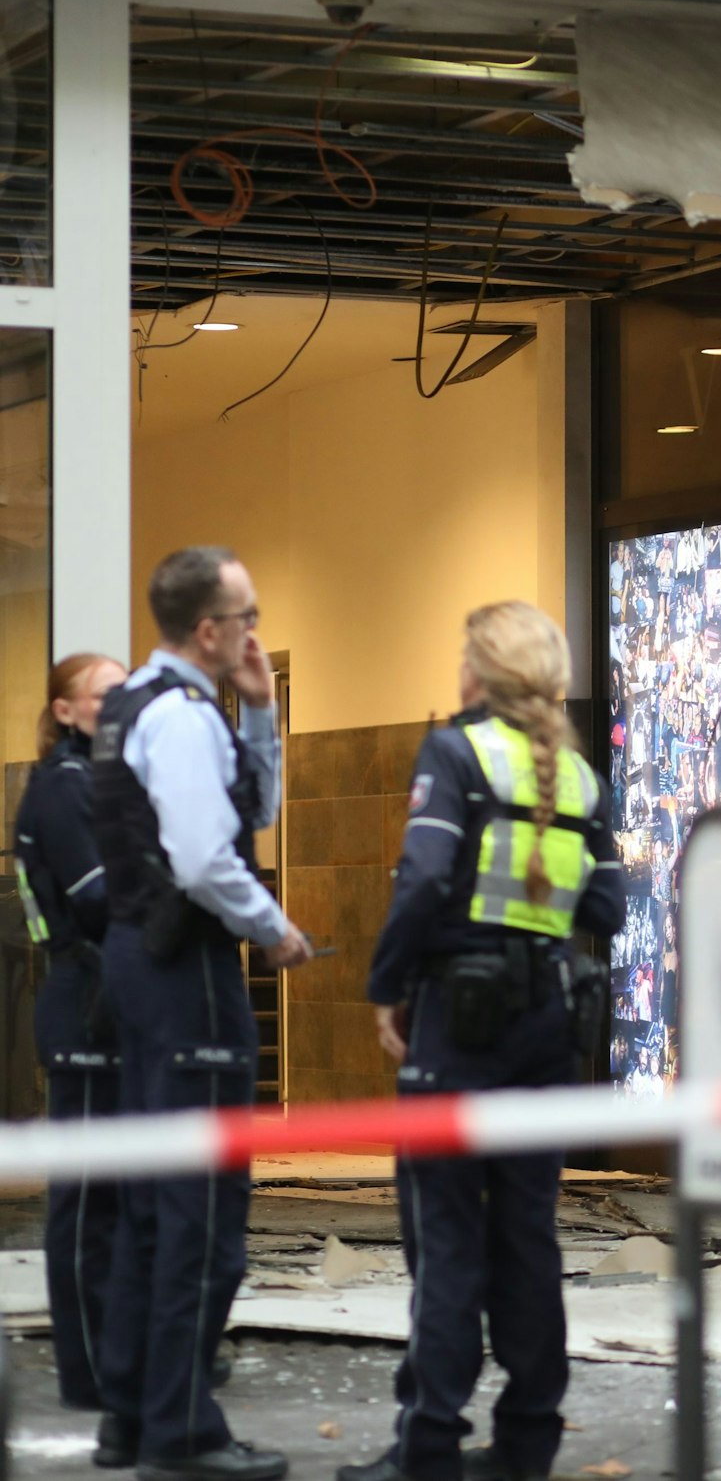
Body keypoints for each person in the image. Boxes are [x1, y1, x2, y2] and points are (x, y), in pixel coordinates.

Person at [338, 602, 624, 1481]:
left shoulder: (456, 753)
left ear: (479, 673)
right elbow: (605, 912)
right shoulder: (577, 777)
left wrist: (387, 988)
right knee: (527, 1236)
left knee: (447, 1234)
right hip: (545, 1025)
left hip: (457, 1025)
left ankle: (428, 1446)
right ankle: (528, 1439)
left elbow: (423, 882)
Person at [92, 547, 313, 1481]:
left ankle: (134, 1421)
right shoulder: (179, 720)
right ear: (209, 629)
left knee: (152, 1206)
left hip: (136, 966)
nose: (257, 631)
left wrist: (261, 710)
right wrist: (275, 929)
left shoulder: (134, 706)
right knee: (203, 1211)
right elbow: (206, 856)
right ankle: (184, 1430)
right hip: (189, 972)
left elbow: (249, 806)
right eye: (248, 615)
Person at [15, 652, 126, 1412]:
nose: (122, 706)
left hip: (108, 996)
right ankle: (87, 1372)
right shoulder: (62, 788)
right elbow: (98, 898)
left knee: (119, 1193)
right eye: (106, 694)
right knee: (84, 1200)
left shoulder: (98, 784)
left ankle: (120, 1356)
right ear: (65, 710)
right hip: (82, 994)